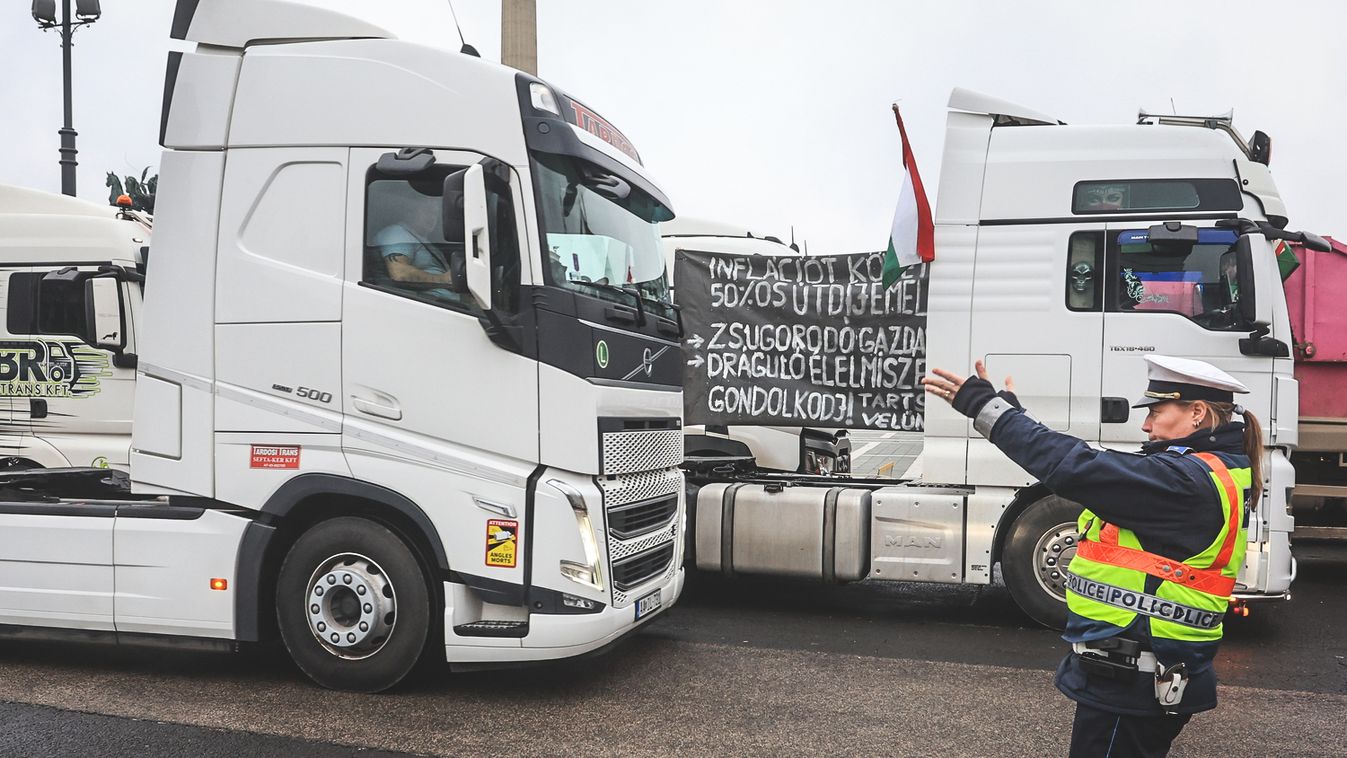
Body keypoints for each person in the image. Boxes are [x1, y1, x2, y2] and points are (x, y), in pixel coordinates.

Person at [922, 354, 1262, 758]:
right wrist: (1017, 417)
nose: (1146, 424)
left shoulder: (1183, 482)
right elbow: (1092, 465)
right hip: (1147, 672)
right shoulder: (1210, 470)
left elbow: (1077, 467)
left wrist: (990, 413)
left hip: (1134, 681)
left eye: (1156, 410)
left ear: (1197, 413)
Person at [372, 199, 459, 301]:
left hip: (447, 303)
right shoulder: (398, 233)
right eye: (427, 211)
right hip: (429, 303)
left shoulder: (425, 241)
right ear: (409, 212)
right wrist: (442, 279)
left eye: (435, 213)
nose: (431, 217)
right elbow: (399, 273)